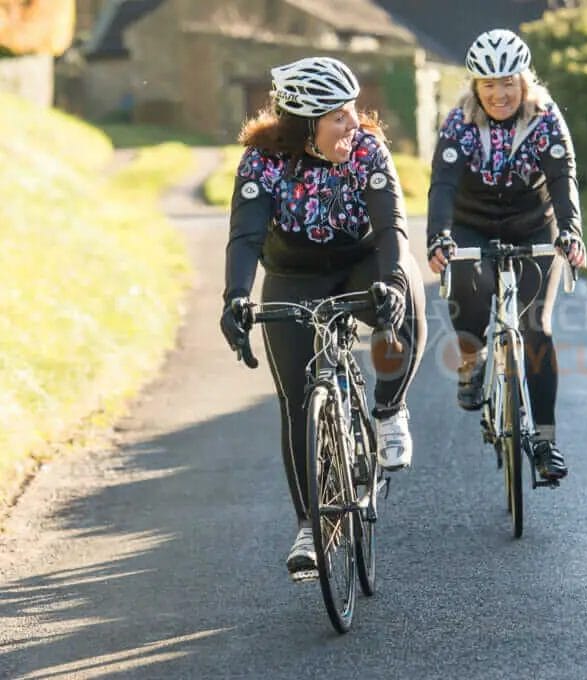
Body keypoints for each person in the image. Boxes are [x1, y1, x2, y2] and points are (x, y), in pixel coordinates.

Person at [219, 56, 427, 574]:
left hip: (362, 263)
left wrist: (392, 283)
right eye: (338, 115)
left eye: (352, 109)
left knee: (405, 290)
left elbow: (392, 229)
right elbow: (245, 237)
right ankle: (311, 526)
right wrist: (235, 298)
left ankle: (388, 410)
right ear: (305, 124)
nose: (354, 122)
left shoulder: (367, 150)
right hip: (294, 273)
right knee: (296, 402)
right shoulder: (261, 162)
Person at [425, 28, 586, 482]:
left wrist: (571, 231)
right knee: (469, 290)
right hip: (471, 224)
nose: (500, 94)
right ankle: (471, 360)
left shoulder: (545, 118)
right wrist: (439, 237)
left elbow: (563, 178)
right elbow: (443, 185)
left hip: (533, 224)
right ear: (476, 86)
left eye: (508, 83)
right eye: (489, 84)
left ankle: (546, 442)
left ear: (524, 81)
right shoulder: (459, 122)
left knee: (536, 328)